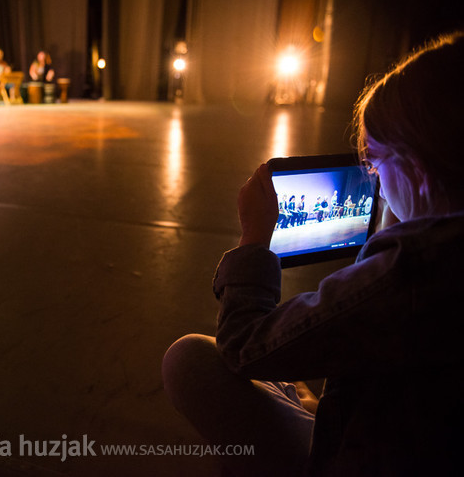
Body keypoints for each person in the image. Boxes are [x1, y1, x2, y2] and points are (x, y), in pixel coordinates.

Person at [162, 32, 464, 476]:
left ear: (418, 170)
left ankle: (309, 413)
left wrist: (254, 236)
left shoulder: (413, 273)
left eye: (377, 164)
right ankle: (311, 404)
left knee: (189, 359)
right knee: (293, 373)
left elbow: (244, 346)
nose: (374, 177)